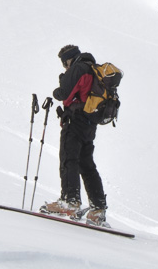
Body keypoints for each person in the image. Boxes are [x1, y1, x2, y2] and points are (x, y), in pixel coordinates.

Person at [40, 44, 108, 225]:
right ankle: (98, 208)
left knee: (68, 158)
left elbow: (64, 94)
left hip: (75, 121)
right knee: (86, 164)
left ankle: (70, 201)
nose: (65, 67)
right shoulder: (93, 68)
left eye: (64, 64)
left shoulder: (77, 68)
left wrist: (60, 85)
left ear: (69, 59)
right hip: (89, 123)